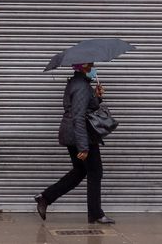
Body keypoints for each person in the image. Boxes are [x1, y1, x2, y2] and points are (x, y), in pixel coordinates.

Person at [33, 62, 114, 225]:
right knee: (95, 172)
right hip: (81, 135)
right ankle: (96, 214)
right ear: (83, 68)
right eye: (91, 65)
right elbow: (78, 117)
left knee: (80, 171)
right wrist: (83, 146)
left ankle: (45, 198)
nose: (94, 68)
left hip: (74, 133)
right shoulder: (82, 87)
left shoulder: (79, 84)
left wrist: (97, 96)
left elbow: (85, 108)